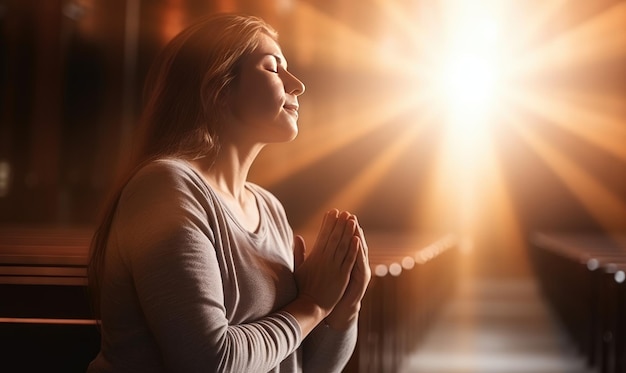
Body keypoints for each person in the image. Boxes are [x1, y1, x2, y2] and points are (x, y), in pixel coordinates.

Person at [86, 13, 371, 372]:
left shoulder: (269, 208)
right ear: (219, 90)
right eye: (272, 68)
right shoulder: (164, 188)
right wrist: (313, 303)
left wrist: (342, 310)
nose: (296, 84)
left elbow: (298, 366)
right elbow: (210, 362)